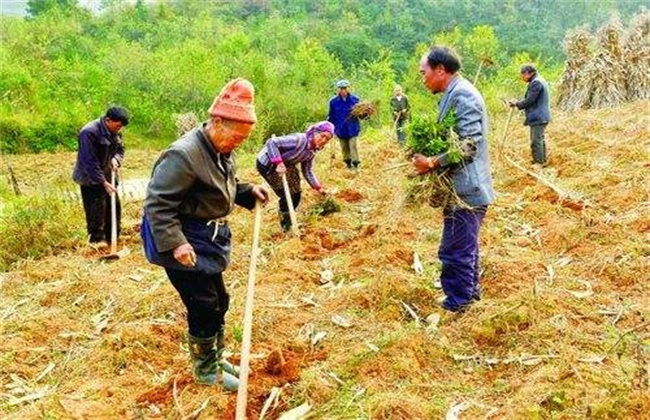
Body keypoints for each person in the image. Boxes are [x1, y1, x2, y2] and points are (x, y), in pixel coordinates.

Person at [140, 78, 269, 391]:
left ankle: (217, 355)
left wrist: (247, 191)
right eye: (236, 137)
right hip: (182, 240)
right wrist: (177, 244)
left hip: (206, 239)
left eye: (244, 139)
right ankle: (205, 369)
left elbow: (220, 186)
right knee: (203, 305)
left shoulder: (222, 149)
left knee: (219, 300)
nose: (238, 143)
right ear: (217, 121)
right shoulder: (183, 155)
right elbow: (158, 204)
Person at [412, 46, 495, 313]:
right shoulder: (454, 92)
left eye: (423, 72)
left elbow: (469, 145)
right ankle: (469, 296)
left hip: (467, 190)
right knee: (464, 245)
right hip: (460, 188)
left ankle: (458, 305)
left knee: (454, 250)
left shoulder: (462, 95)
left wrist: (433, 162)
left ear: (440, 70)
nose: (422, 79)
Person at [256, 121, 335, 232]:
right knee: (286, 194)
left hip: (286, 163)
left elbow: (307, 171)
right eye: (322, 136)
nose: (324, 141)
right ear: (314, 132)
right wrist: (278, 162)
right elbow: (272, 142)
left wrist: (319, 188)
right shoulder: (299, 140)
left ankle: (290, 219)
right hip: (268, 164)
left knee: (296, 193)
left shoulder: (311, 152)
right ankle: (287, 226)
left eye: (327, 139)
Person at [72, 106, 129, 245]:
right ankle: (97, 243)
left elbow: (120, 149)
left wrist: (116, 159)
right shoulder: (89, 132)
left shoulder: (116, 131)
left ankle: (113, 239)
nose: (119, 129)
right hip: (90, 178)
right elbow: (89, 162)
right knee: (96, 211)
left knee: (113, 207)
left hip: (109, 175)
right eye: (117, 126)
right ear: (108, 120)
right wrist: (103, 182)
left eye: (121, 127)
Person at [508, 64, 551, 166]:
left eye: (523, 76)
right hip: (542, 116)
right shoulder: (539, 80)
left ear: (528, 73)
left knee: (536, 141)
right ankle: (542, 160)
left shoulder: (536, 82)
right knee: (540, 139)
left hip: (538, 116)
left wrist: (517, 103)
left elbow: (530, 100)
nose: (522, 78)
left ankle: (539, 163)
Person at [327, 79, 361, 171]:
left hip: (352, 128)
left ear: (348, 88)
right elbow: (331, 116)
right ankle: (348, 163)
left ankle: (355, 164)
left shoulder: (355, 100)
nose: (343, 90)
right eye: (341, 88)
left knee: (352, 146)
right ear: (338, 89)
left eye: (345, 88)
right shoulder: (333, 102)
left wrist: (365, 113)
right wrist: (329, 129)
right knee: (344, 148)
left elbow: (361, 115)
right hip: (340, 129)